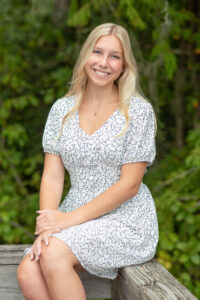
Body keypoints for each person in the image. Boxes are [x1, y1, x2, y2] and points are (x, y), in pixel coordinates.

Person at [17, 23, 159, 300]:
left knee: (53, 254)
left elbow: (130, 185)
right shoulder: (62, 109)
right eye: (98, 52)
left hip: (125, 218)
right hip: (73, 215)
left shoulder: (138, 111)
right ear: (86, 56)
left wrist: (67, 221)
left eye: (114, 56)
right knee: (28, 270)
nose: (104, 63)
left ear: (124, 65)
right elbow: (52, 177)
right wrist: (47, 224)